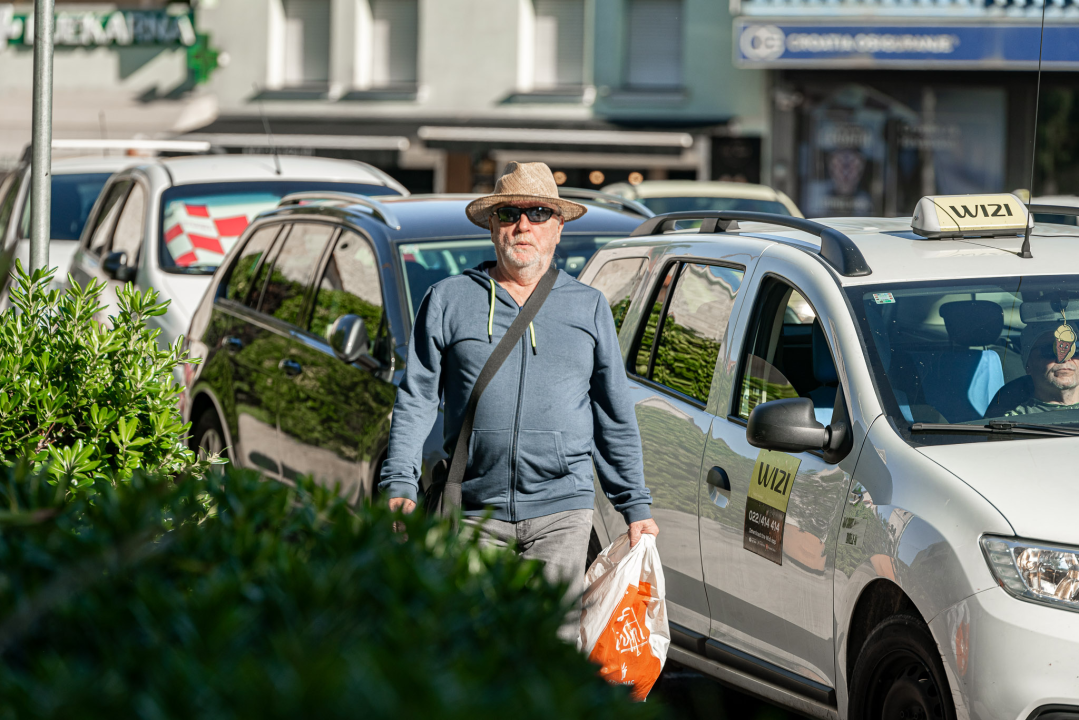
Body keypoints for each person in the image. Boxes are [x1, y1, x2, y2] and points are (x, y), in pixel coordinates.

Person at [379, 161, 658, 642]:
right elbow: (417, 398)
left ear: (558, 226)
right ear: (492, 225)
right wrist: (399, 481)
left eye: (538, 213)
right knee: (472, 650)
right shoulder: (447, 300)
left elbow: (613, 414)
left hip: (562, 512)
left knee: (547, 650)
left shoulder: (587, 307)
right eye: (509, 213)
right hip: (471, 513)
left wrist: (636, 506)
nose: (523, 225)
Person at [1004, 321, 1079, 415]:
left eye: (1074, 349)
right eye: (1050, 350)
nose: (1065, 358)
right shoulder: (1012, 422)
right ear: (1028, 364)